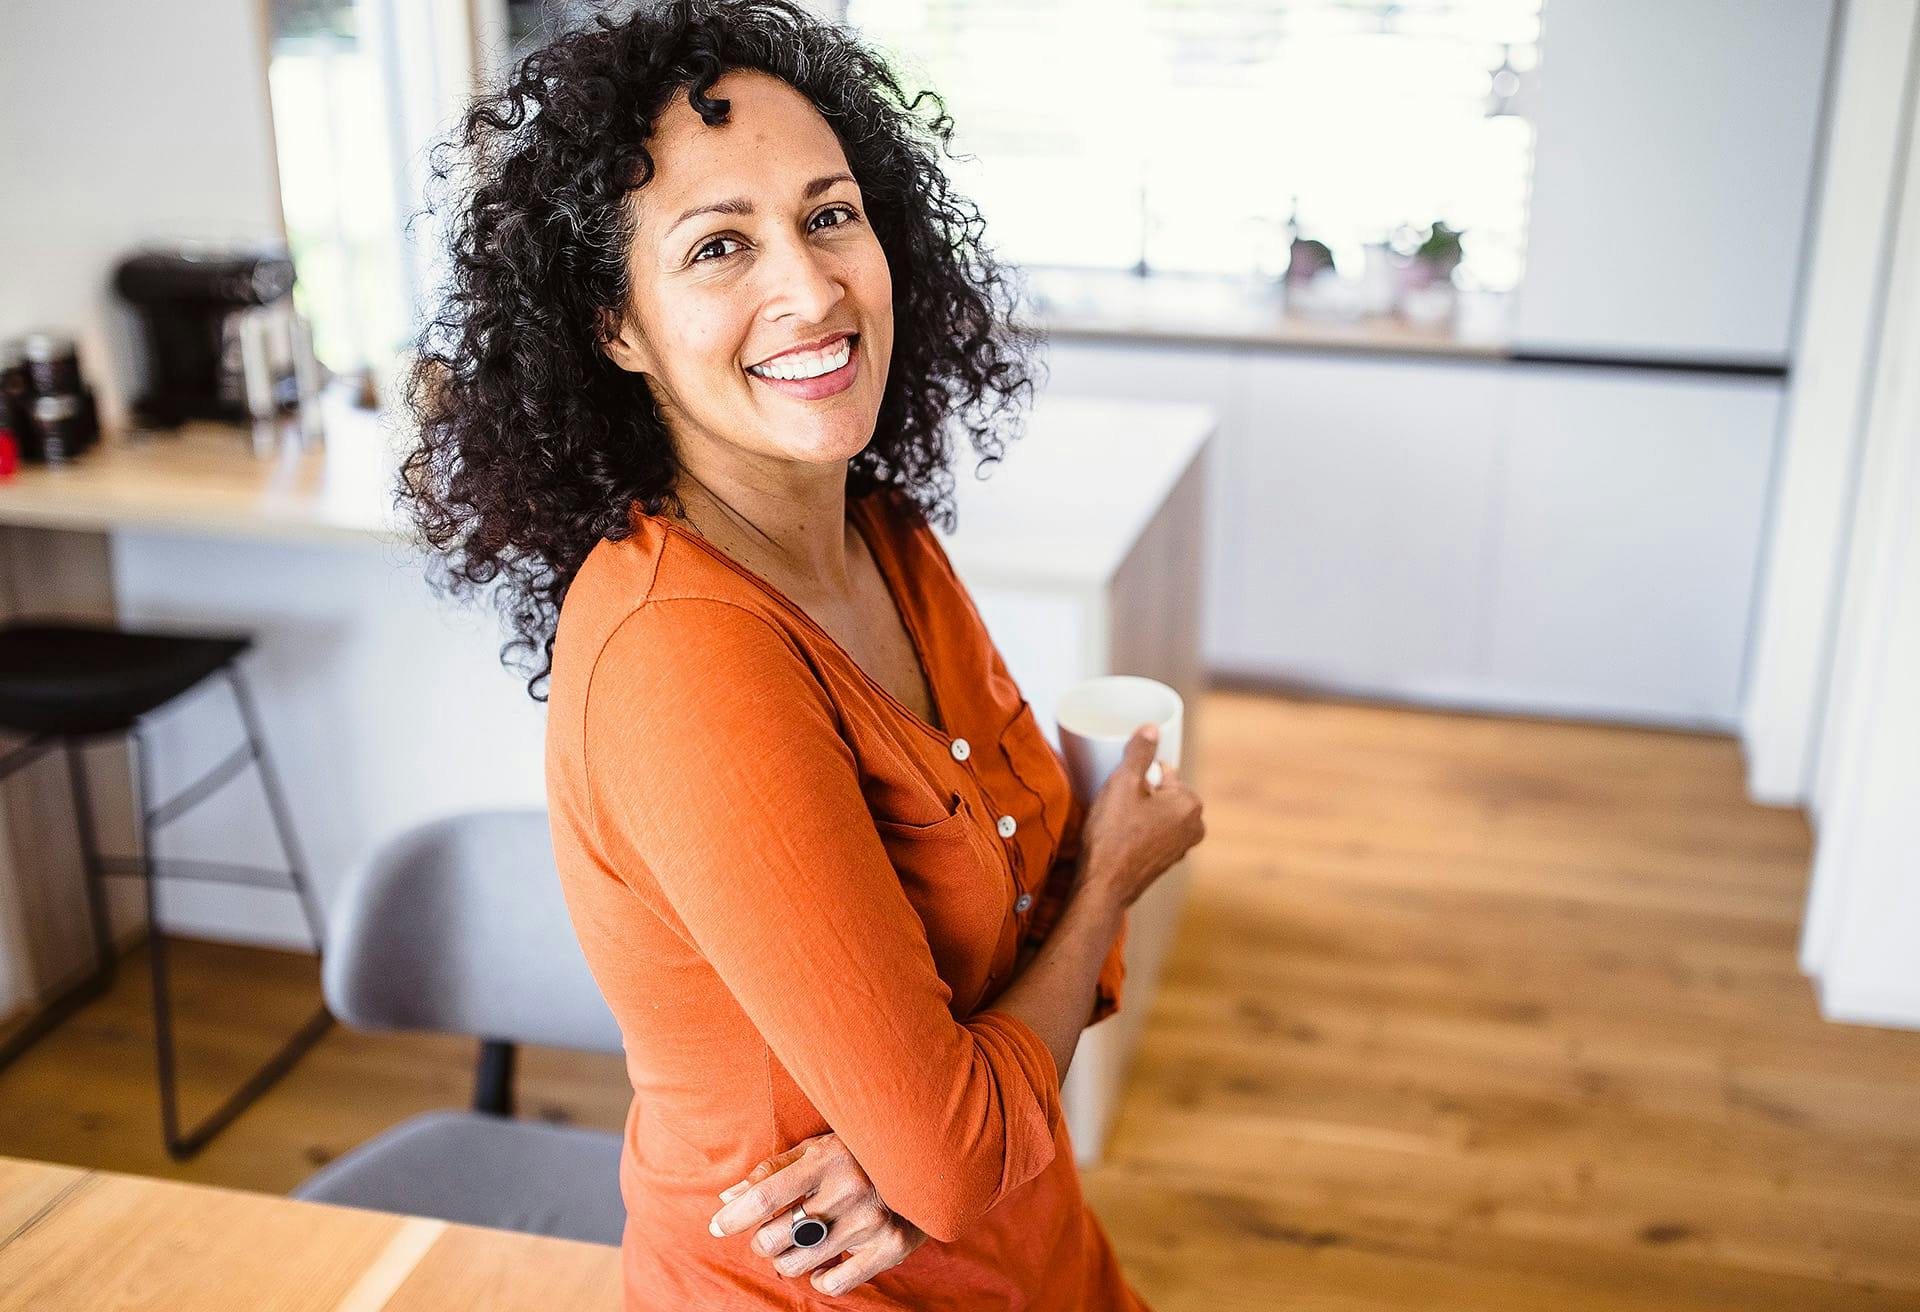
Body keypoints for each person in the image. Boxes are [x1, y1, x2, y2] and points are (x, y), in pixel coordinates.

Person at [395, 2, 1205, 1306]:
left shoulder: (881, 535)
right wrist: (1108, 886)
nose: (813, 287)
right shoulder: (686, 661)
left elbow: (1011, 953)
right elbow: (962, 1132)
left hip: (1034, 1253)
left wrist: (947, 1125)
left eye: (829, 215)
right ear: (616, 326)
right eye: (721, 245)